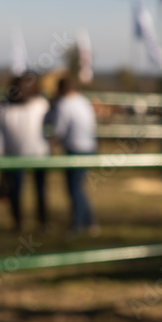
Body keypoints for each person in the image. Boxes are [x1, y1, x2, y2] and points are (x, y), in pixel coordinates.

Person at [0, 73, 50, 232]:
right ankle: (28, 223)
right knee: (22, 190)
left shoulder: (38, 105)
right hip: (23, 157)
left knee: (32, 190)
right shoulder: (7, 108)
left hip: (29, 156)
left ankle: (34, 223)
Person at [51, 77, 100, 236]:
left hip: (74, 149)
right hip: (89, 147)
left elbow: (59, 130)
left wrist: (53, 141)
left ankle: (78, 224)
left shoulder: (64, 104)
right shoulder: (83, 101)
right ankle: (89, 221)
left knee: (74, 189)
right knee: (78, 187)